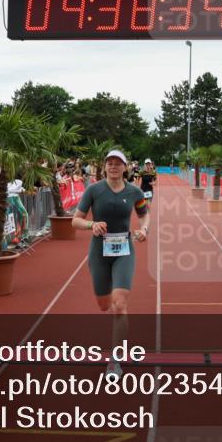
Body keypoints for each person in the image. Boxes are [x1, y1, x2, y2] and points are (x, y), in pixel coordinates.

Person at [71, 150, 150, 378]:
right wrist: (91, 225)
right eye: (110, 163)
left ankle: (115, 361)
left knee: (119, 304)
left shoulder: (134, 191)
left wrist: (145, 229)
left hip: (124, 250)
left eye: (118, 163)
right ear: (104, 167)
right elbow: (75, 220)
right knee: (104, 305)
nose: (113, 166)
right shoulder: (94, 190)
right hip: (99, 252)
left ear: (125, 167)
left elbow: (144, 214)